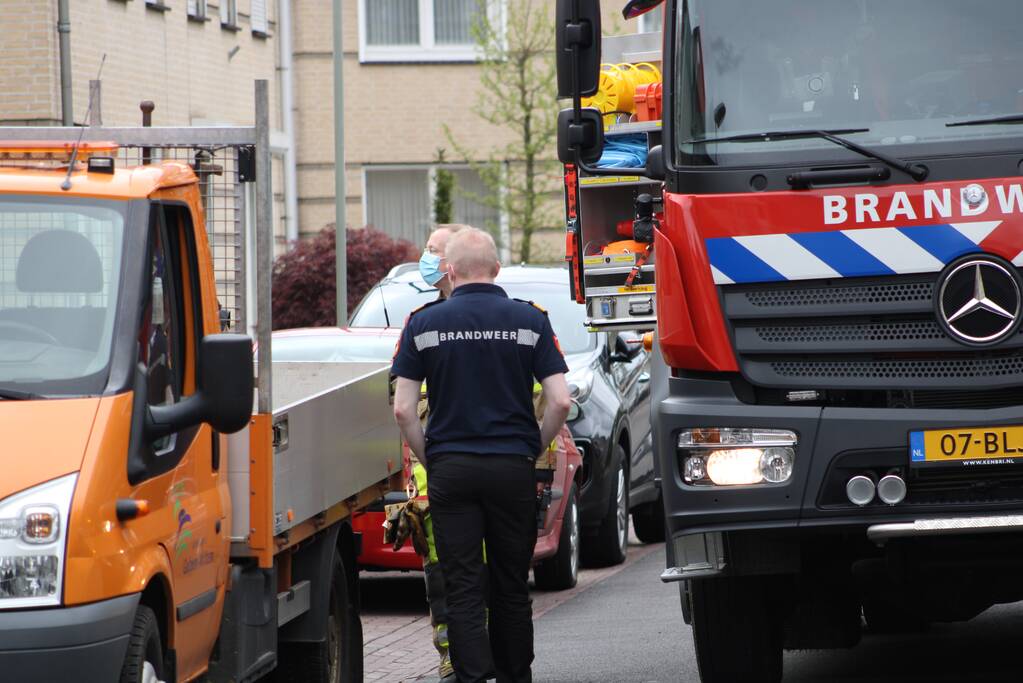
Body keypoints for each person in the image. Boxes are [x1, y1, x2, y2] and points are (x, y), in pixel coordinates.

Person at [392, 228, 572, 683]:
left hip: (452, 469)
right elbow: (560, 402)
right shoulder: (530, 321)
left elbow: (403, 409)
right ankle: (516, 675)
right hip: (512, 467)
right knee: (511, 585)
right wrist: (533, 445)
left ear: (449, 270)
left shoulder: (423, 324)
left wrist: (430, 457)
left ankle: (472, 677)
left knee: (464, 585)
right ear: (497, 269)